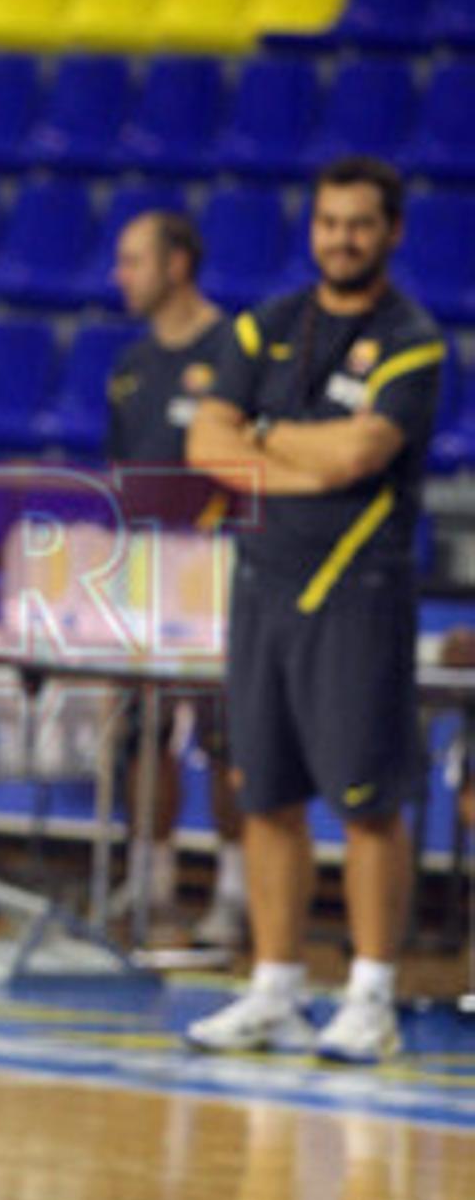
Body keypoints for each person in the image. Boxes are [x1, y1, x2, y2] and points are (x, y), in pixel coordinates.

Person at [184, 157, 444, 1063]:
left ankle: (370, 997)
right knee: (267, 795)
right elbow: (202, 442)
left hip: (357, 594)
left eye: (360, 225)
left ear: (392, 232)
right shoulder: (264, 327)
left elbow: (355, 459)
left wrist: (262, 438)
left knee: (368, 803)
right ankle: (276, 988)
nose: (342, 239)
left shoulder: (412, 340)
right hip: (262, 587)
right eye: (329, 222)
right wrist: (287, 449)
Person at [107, 211, 247, 946]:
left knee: (228, 738)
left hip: (223, 577)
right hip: (146, 575)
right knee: (143, 734)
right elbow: (123, 480)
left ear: (178, 265)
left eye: (133, 261)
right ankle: (149, 876)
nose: (118, 276)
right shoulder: (130, 368)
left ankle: (233, 890)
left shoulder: (237, 353)